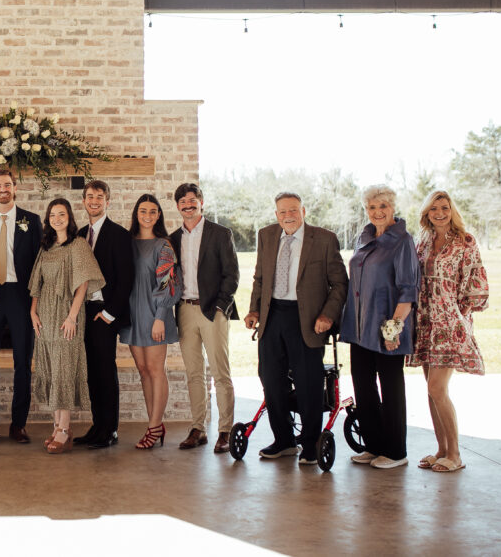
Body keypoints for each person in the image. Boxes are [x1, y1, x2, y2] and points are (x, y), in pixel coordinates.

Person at [244, 192, 348, 464]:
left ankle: (311, 443)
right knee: (270, 378)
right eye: (282, 212)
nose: (287, 216)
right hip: (272, 315)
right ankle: (284, 440)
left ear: (303, 211)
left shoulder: (323, 239)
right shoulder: (266, 235)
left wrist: (327, 315)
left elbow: (340, 284)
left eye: (292, 210)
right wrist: (254, 308)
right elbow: (260, 277)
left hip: (308, 319)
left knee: (308, 383)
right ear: (276, 214)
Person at [407, 190, 489, 473]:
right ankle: (440, 449)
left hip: (449, 323)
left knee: (437, 388)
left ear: (452, 210)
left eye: (444, 207)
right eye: (433, 209)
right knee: (431, 392)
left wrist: (458, 314)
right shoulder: (423, 242)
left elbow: (475, 281)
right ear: (426, 213)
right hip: (426, 321)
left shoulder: (465, 241)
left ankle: (455, 454)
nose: (439, 213)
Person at [340, 184, 419, 470]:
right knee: (363, 385)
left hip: (387, 328)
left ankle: (396, 452)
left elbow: (408, 290)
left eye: (382, 206)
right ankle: (373, 446)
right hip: (359, 327)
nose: (377, 212)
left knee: (391, 387)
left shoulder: (403, 241)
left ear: (392, 207)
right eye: (372, 207)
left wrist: (393, 330)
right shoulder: (365, 237)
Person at [29, 198, 105, 454]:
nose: (57, 218)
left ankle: (64, 428)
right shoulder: (46, 246)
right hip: (45, 314)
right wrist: (33, 312)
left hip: (67, 312)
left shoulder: (78, 244)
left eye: (62, 214)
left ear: (69, 217)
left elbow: (83, 283)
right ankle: (57, 425)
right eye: (52, 214)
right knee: (51, 366)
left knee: (64, 367)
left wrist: (72, 316)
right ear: (48, 218)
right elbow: (36, 282)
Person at [170, 182, 239, 454]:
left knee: (220, 373)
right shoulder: (173, 238)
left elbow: (232, 274)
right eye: (183, 202)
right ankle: (197, 428)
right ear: (177, 207)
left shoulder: (220, 233)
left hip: (213, 310)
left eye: (192, 200)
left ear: (201, 202)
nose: (188, 205)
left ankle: (225, 430)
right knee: (193, 373)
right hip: (184, 311)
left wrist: (221, 306)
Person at [0, 169, 42, 443]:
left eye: (7, 184)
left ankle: (18, 424)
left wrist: (36, 302)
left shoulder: (32, 220)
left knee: (22, 362)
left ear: (15, 188)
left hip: (20, 295)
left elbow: (40, 262)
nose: (3, 189)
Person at [119, 194, 182, 449]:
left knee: (156, 370)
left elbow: (168, 285)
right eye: (143, 210)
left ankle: (154, 427)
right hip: (132, 315)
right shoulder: (127, 243)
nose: (147, 215)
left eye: (153, 211)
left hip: (155, 314)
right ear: (136, 213)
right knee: (143, 370)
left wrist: (160, 318)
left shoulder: (163, 245)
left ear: (158, 215)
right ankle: (154, 423)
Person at [75, 180, 134, 449]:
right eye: (90, 196)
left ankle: (110, 429)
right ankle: (97, 426)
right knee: (91, 373)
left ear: (108, 201)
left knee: (105, 371)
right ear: (84, 201)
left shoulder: (120, 235)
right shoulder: (79, 234)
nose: (94, 201)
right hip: (83, 312)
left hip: (104, 313)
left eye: (100, 196)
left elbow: (126, 280)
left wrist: (110, 314)